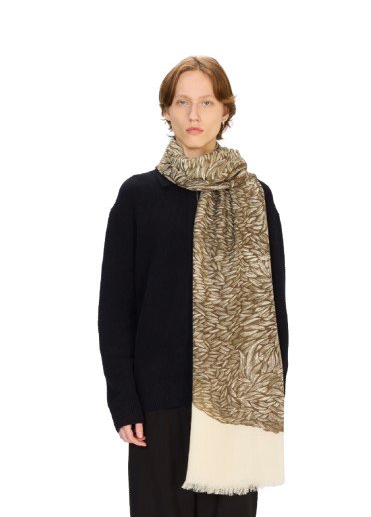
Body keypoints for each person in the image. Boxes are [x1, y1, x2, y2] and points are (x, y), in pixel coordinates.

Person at [98, 56, 289, 517]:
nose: (194, 115)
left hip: (236, 407)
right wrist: (124, 401)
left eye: (206, 102)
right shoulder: (138, 197)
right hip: (157, 408)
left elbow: (274, 311)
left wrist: (269, 399)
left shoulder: (256, 197)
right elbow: (115, 310)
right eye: (182, 102)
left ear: (226, 111)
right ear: (166, 110)